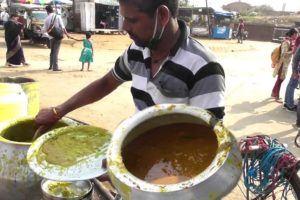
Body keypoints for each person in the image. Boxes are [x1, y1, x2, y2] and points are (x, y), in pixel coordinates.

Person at [35, 0, 225, 134]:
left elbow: (204, 138)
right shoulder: (136, 51)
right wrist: (59, 111)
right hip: (137, 148)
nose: (125, 26)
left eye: (132, 20)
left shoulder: (204, 68)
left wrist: (136, 161)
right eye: (123, 18)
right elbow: (105, 83)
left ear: (163, 15)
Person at [271, 28, 298, 102]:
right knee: (280, 80)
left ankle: (274, 93)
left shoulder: (290, 41)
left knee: (280, 79)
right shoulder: (286, 42)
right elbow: (283, 54)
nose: (297, 35)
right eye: (296, 34)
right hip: (282, 64)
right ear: (293, 34)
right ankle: (276, 96)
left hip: (285, 64)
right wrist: (292, 52)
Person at [42, 5, 69, 71]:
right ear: (53, 10)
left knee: (52, 52)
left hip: (51, 36)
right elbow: (62, 27)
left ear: (47, 11)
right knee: (56, 52)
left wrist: (47, 35)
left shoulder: (46, 18)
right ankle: (55, 67)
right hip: (58, 36)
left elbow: (43, 30)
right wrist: (67, 34)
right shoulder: (57, 16)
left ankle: (50, 66)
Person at [284, 32, 300, 111]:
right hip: (296, 67)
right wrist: (295, 71)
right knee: (292, 85)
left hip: (296, 66)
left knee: (291, 84)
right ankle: (289, 104)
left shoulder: (297, 39)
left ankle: (287, 103)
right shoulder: (297, 39)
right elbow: (296, 55)